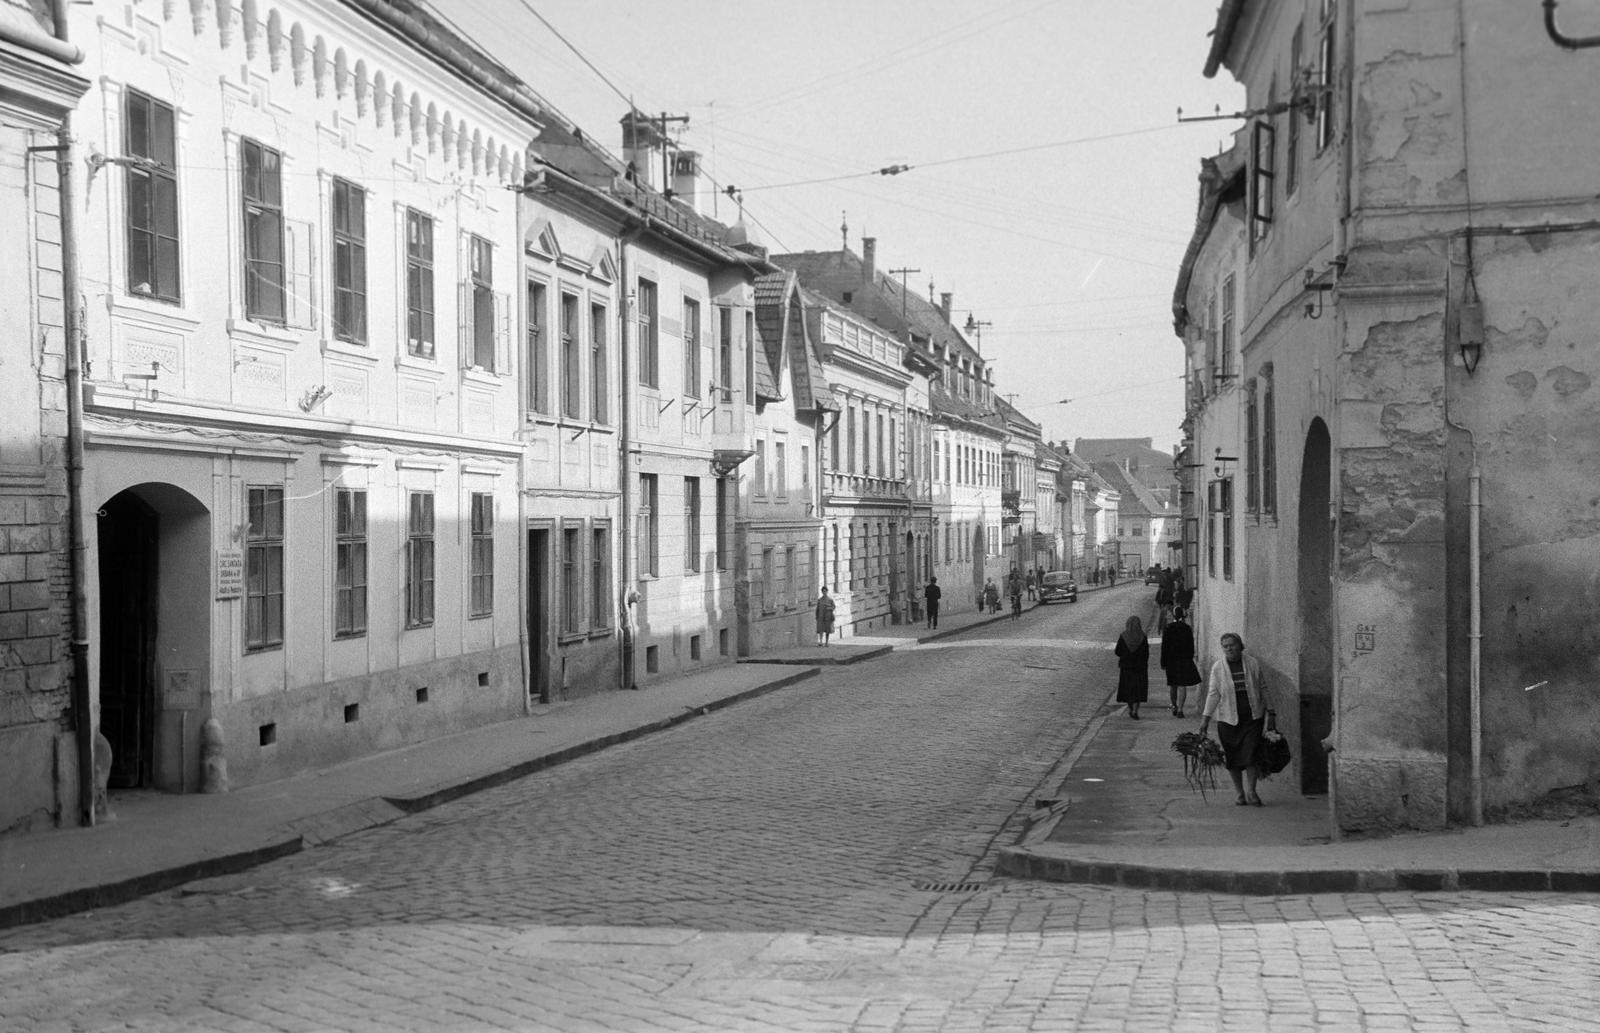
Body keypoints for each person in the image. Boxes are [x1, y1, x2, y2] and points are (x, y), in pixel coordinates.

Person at [1199, 632, 1277, 806]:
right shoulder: (1218, 668)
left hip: (1252, 717)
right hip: (1228, 720)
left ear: (1240, 646)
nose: (1229, 649)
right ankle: (1240, 793)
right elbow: (1213, 694)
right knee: (1233, 757)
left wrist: (1271, 711)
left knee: (1251, 755)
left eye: (1232, 645)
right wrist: (1205, 720)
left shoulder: (1252, 663)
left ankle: (1252, 791)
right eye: (1225, 646)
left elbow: (1263, 687)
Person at [1160, 606, 1202, 718]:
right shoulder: (1187, 628)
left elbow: (1164, 647)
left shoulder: (1168, 628)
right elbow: (1191, 646)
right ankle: (1180, 709)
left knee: (1173, 685)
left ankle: (1174, 706)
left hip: (1171, 660)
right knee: (1182, 685)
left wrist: (1163, 662)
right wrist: (1190, 657)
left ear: (1173, 615)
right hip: (1184, 660)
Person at [1114, 615, 1149, 719]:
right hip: (1140, 667)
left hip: (1126, 667)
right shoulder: (1143, 637)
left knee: (1128, 689)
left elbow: (1117, 651)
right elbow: (1146, 654)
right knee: (1138, 690)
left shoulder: (1124, 636)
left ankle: (1130, 708)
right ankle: (1135, 710)